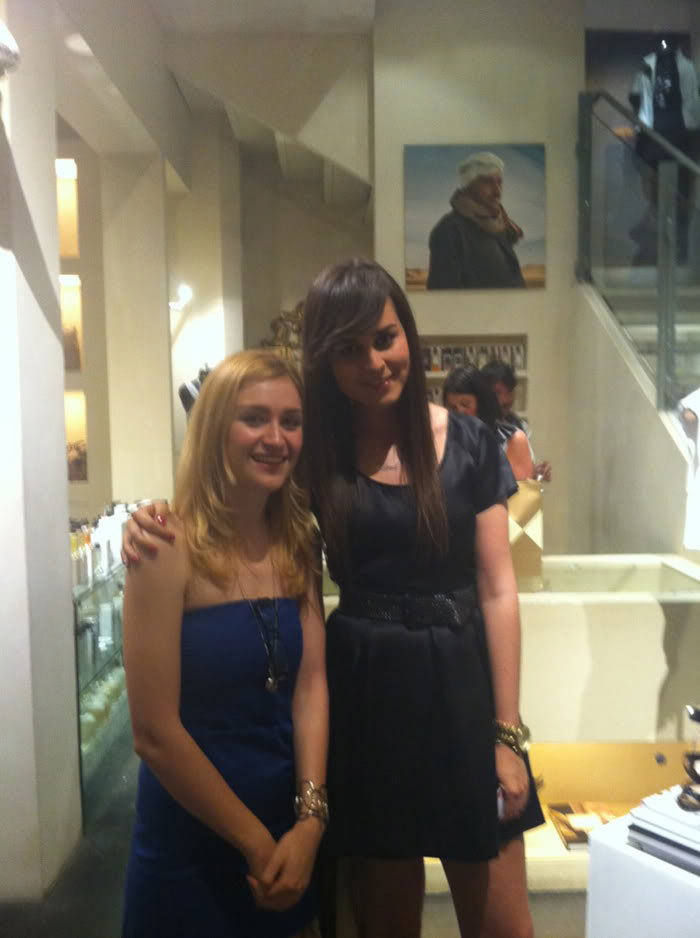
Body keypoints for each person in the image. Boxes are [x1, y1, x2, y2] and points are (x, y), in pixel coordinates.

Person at [124, 259, 543, 938]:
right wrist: (151, 515)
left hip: (463, 689)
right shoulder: (313, 449)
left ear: (407, 334)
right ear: (326, 359)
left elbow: (498, 589)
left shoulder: (469, 442)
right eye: (349, 348)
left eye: (384, 338)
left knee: (504, 926)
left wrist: (506, 734)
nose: (373, 362)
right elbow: (237, 490)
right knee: (385, 920)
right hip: (367, 692)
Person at [121, 349, 328, 938]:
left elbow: (311, 686)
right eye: (254, 418)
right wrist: (256, 844)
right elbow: (154, 733)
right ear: (215, 429)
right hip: (191, 842)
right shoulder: (163, 545)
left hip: (287, 830)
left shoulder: (299, 541)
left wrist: (310, 821)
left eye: (290, 421)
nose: (276, 438)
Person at [427, 152, 526, 290]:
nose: (497, 192)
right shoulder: (449, 231)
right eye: (488, 182)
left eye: (499, 182)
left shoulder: (499, 225)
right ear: (468, 186)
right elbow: (444, 297)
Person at [442, 364, 534, 481]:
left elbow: (522, 490)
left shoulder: (511, 439)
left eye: (465, 405)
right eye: (452, 408)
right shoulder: (442, 439)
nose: (459, 413)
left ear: (481, 404)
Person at [480, 359, 552, 483]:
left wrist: (537, 474)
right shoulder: (475, 431)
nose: (506, 400)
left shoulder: (520, 427)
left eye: (509, 392)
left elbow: (523, 479)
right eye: (498, 393)